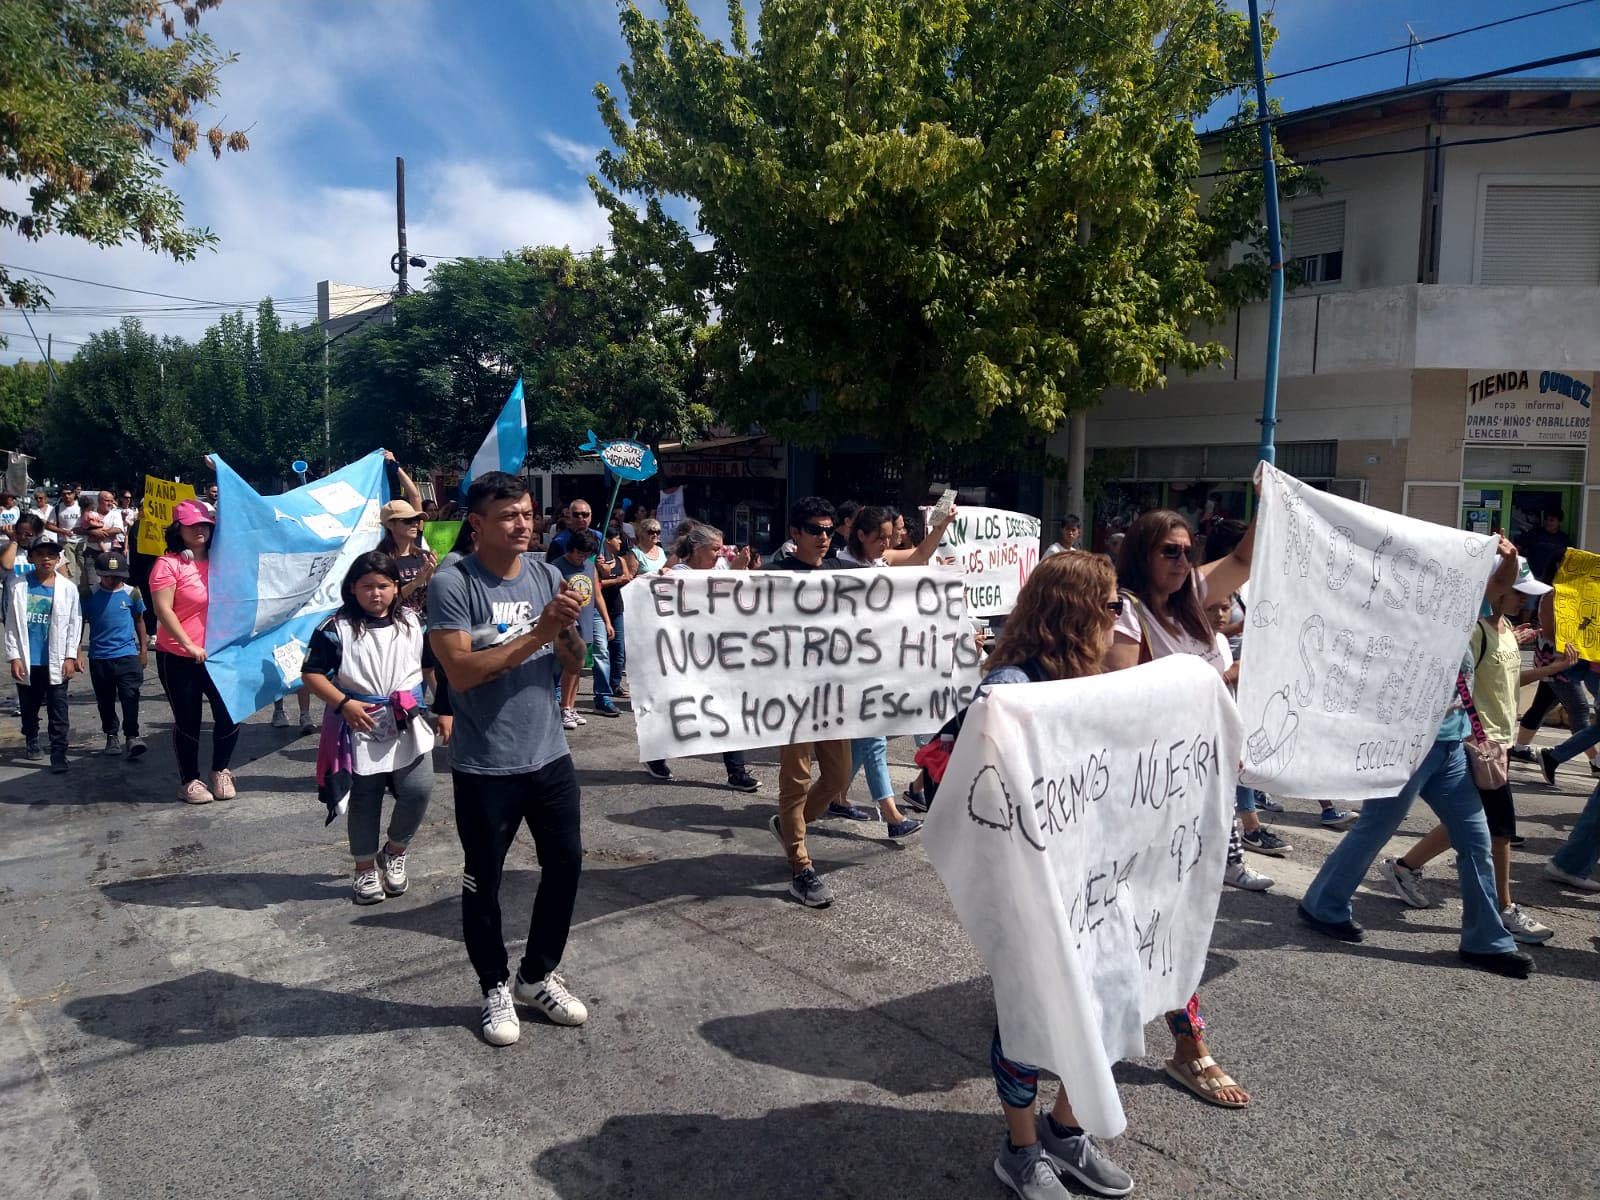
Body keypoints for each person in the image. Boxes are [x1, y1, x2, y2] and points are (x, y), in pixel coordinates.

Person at [1299, 539, 1534, 977]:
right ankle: (1322, 904)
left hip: (1453, 749)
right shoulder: (1403, 618)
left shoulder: (1463, 614)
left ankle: (1485, 940)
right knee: (1374, 830)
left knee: (1477, 841)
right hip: (1409, 750)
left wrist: (1510, 556)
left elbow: (1500, 584)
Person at [980, 551, 1135, 1200]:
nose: (1117, 617)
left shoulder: (1092, 675)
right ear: (1076, 610)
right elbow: (986, 797)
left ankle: (1064, 1130)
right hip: (1035, 889)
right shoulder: (1011, 688)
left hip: (1099, 878)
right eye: (1109, 605)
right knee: (1030, 1017)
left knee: (1112, 999)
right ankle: (1020, 1150)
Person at [427, 470, 591, 1046]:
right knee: (484, 880)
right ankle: (494, 984)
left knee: (566, 865)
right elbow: (462, 673)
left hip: (549, 755)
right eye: (509, 516)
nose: (523, 524)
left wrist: (568, 629)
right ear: (477, 524)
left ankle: (537, 975)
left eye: (527, 514)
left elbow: (575, 665)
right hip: (485, 764)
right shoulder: (455, 583)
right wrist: (540, 630)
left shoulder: (548, 574)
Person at [1104, 508, 1255, 1110]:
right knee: (1162, 914)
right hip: (1150, 796)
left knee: (1171, 912)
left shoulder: (1190, 600)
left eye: (1188, 551)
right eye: (1170, 550)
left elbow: (1242, 561)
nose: (1183, 561)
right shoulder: (1124, 612)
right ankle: (1190, 1047)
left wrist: (1270, 498)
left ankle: (1050, 998)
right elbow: (1118, 701)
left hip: (1203, 787)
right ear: (1142, 553)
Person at [1381, 557, 1564, 944]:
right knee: (1500, 830)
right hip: (1477, 744)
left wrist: (1552, 669)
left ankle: (1405, 867)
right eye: (1518, 593)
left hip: (1501, 741)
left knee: (1470, 820)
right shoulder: (1473, 632)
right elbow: (1456, 684)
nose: (1524, 602)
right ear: (1496, 588)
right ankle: (1504, 908)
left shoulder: (1509, 629)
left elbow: (1510, 682)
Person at [302, 552, 436, 905]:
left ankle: (394, 850)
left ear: (395, 587)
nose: (376, 593)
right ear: (352, 589)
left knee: (419, 789)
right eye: (367, 587)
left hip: (407, 719)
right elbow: (312, 673)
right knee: (365, 798)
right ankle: (364, 868)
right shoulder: (335, 627)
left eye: (383, 585)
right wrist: (344, 704)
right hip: (359, 722)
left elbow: (428, 665)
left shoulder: (412, 621)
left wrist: (445, 708)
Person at [760, 498, 854, 908]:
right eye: (815, 529)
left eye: (829, 530)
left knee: (837, 779)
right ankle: (800, 865)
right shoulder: (772, 575)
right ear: (795, 533)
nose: (824, 537)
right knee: (796, 780)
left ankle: (788, 824)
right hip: (791, 696)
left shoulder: (841, 573)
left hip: (832, 695)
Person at [641, 523, 761, 792]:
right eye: (714, 549)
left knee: (730, 709)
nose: (719, 555)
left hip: (718, 653)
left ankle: (736, 771)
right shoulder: (680, 573)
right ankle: (655, 755)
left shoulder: (719, 570)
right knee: (678, 710)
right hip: (686, 656)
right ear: (696, 548)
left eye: (721, 549)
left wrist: (740, 572)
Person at [150, 499, 238, 805]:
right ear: (179, 528)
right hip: (179, 656)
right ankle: (189, 780)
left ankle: (220, 770)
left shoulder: (223, 560)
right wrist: (188, 645)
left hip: (220, 654)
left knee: (230, 714)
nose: (200, 529)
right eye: (192, 524)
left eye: (205, 524)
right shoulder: (168, 564)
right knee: (189, 720)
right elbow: (163, 610)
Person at [4, 535, 81, 772]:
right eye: (40, 554)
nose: (46, 559)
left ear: (59, 559)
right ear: (31, 558)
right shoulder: (17, 585)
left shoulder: (67, 588)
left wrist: (70, 656)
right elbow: (11, 624)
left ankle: (59, 753)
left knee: (59, 709)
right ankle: (32, 738)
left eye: (51, 555)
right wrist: (14, 656)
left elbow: (74, 623)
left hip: (56, 659)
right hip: (29, 659)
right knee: (29, 706)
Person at [81, 551, 148, 759]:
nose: (113, 580)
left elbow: (139, 620)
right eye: (108, 576)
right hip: (100, 656)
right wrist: (76, 653)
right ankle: (111, 734)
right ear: (100, 575)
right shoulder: (89, 595)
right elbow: (78, 623)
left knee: (130, 696)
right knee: (105, 698)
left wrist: (143, 650)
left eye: (117, 576)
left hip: (127, 655)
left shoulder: (132, 594)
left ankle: (132, 736)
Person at [45, 484, 86, 586]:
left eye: (69, 494)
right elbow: (49, 525)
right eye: (64, 494)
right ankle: (69, 588)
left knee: (83, 569)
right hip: (66, 542)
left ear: (74, 494)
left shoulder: (81, 505)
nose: (67, 496)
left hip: (83, 541)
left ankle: (84, 592)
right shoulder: (58, 508)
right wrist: (62, 531)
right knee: (69, 569)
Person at [1519, 508, 1571, 584]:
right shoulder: (1534, 533)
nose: (1548, 522)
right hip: (1531, 577)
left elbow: (1567, 559)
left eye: (1552, 520)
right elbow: (1518, 550)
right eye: (1546, 519)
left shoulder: (1564, 539)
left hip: (1553, 579)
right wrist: (1523, 572)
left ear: (1559, 522)